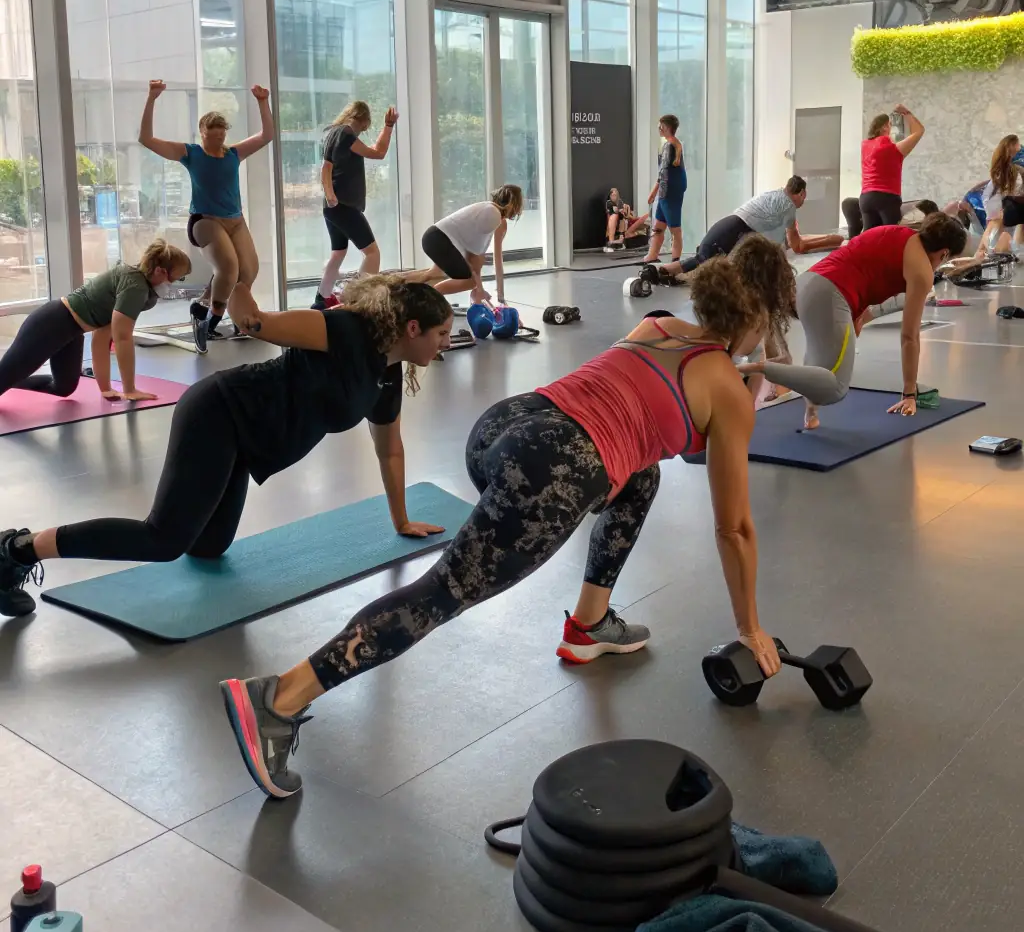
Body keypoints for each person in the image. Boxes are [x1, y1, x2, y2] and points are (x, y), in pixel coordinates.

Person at [216, 234, 798, 799]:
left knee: (641, 473)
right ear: (757, 317)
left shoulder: (657, 325)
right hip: (549, 469)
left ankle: (589, 624)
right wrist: (749, 626)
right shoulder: (725, 388)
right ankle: (280, 698)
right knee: (443, 592)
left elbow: (651, 418)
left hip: (505, 426)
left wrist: (731, 383)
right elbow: (734, 527)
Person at [0, 278, 454, 619]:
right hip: (219, 413)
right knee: (164, 540)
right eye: (441, 335)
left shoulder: (387, 376)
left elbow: (389, 450)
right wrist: (237, 280)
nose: (445, 345)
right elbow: (257, 324)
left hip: (247, 445)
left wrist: (402, 520)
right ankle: (18, 549)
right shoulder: (342, 329)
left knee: (210, 546)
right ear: (413, 328)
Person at [742, 214, 966, 430]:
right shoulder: (922, 271)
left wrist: (861, 314)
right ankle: (762, 368)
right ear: (944, 253)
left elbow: (867, 269)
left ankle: (811, 414)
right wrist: (909, 393)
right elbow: (909, 336)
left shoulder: (897, 233)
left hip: (808, 283)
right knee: (835, 388)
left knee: (819, 360)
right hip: (831, 295)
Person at [139, 80, 275, 353]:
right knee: (228, 268)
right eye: (211, 136)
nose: (217, 142)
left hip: (236, 220)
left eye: (221, 136)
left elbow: (267, 135)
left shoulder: (234, 154)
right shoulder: (191, 153)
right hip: (205, 221)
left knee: (248, 272)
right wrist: (152, 98)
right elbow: (146, 139)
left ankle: (211, 308)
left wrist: (263, 102)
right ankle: (206, 318)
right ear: (201, 132)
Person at [0, 240, 191, 407]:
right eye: (177, 278)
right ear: (160, 271)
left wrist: (106, 389)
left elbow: (102, 336)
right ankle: (9, 379)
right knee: (5, 376)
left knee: (63, 387)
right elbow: (123, 338)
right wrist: (130, 389)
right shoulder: (135, 287)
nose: (174, 284)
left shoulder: (140, 286)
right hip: (51, 324)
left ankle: (12, 381)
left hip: (72, 332)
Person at [652, 177, 841, 280]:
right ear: (801, 193)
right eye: (804, 197)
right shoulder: (789, 207)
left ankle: (664, 271)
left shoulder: (775, 194)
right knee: (703, 257)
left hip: (734, 225)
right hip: (734, 228)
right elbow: (797, 245)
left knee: (705, 256)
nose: (803, 201)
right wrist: (833, 240)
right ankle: (662, 271)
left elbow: (789, 242)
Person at [312, 101, 399, 311]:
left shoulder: (333, 133)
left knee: (338, 252)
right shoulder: (346, 133)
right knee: (372, 253)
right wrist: (388, 126)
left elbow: (326, 167)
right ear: (363, 119)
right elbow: (378, 152)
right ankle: (357, 301)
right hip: (344, 206)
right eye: (365, 126)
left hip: (334, 206)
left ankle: (321, 300)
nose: (363, 131)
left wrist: (329, 195)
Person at [415, 185, 522, 302]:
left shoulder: (490, 211)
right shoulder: (491, 216)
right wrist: (480, 288)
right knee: (468, 281)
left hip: (438, 239)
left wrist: (500, 295)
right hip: (442, 241)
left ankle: (396, 283)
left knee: (435, 273)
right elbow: (475, 258)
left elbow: (489, 258)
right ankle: (430, 298)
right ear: (514, 205)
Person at [857, 105, 924, 233]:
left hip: (866, 198)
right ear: (884, 127)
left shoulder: (865, 146)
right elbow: (919, 131)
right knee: (891, 236)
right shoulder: (893, 149)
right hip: (886, 198)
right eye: (890, 125)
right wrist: (906, 113)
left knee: (869, 238)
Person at [643, 115, 686, 264]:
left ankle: (675, 262)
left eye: (660, 126)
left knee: (675, 230)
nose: (659, 129)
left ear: (666, 127)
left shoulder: (670, 146)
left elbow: (664, 173)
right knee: (658, 226)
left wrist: (653, 192)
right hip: (667, 193)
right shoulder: (674, 144)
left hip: (667, 193)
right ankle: (652, 255)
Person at [973, 135, 1021, 258]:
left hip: (998, 210)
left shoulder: (1002, 172)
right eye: (1018, 146)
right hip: (1001, 213)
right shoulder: (1012, 171)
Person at [604, 188, 648, 253]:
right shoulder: (609, 203)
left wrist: (627, 212)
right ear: (610, 196)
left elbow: (630, 217)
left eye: (615, 195)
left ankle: (619, 239)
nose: (614, 197)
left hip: (625, 231)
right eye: (612, 195)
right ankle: (613, 240)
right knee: (615, 216)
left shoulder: (621, 203)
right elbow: (615, 211)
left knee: (625, 222)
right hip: (615, 231)